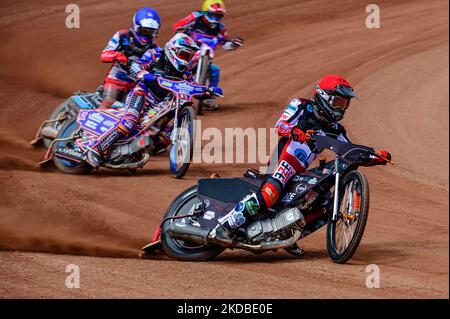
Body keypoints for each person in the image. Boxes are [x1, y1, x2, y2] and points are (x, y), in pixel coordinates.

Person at [209, 75, 392, 244]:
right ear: (324, 97)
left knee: (321, 202)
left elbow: (348, 150)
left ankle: (285, 234)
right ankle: (225, 226)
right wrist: (294, 131)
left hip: (299, 170)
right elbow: (280, 125)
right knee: (270, 194)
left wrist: (373, 155)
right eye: (337, 102)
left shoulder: (336, 129)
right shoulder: (302, 106)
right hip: (283, 160)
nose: (341, 108)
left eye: (345, 104)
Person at [85, 33, 222, 168]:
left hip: (162, 104)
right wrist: (143, 73)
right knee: (129, 122)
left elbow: (193, 86)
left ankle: (133, 153)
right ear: (173, 50)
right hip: (142, 94)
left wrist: (208, 90)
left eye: (188, 56)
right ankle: (95, 148)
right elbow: (138, 64)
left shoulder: (185, 72)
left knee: (164, 136)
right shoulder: (155, 54)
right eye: (183, 55)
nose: (185, 60)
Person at [172, 0, 243, 110]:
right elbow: (176, 26)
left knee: (215, 70)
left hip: (204, 59)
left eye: (218, 16)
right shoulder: (195, 19)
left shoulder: (220, 28)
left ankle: (208, 99)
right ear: (204, 12)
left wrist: (234, 44)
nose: (214, 18)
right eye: (212, 15)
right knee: (173, 67)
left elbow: (225, 44)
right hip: (186, 55)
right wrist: (185, 30)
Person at [99, 7, 161, 109]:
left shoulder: (155, 49)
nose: (145, 36)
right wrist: (118, 55)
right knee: (109, 101)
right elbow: (104, 55)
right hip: (115, 79)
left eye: (150, 32)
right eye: (143, 31)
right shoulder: (122, 35)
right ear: (135, 26)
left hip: (135, 86)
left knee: (135, 111)